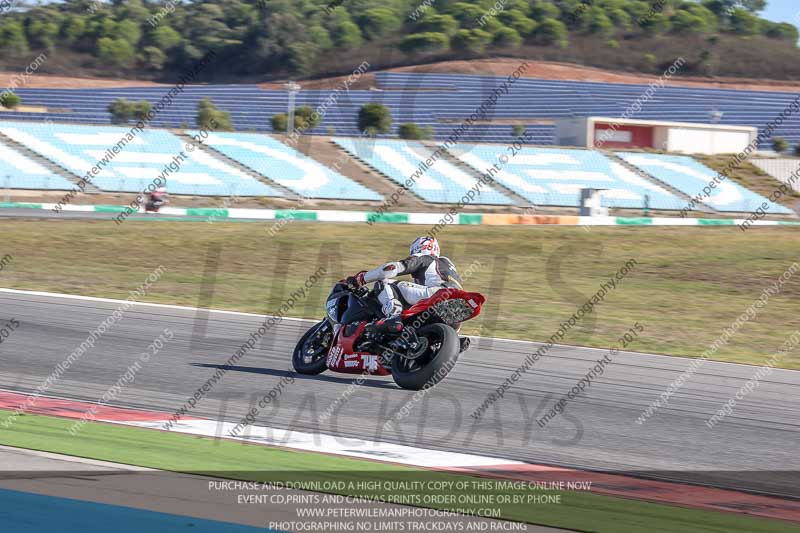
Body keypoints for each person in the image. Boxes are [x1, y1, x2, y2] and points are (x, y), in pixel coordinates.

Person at [347, 236, 462, 320]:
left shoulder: (423, 257)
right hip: (458, 300)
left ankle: (393, 317)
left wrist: (362, 278)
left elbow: (391, 269)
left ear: (418, 248)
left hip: (436, 293)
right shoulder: (447, 264)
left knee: (385, 282)